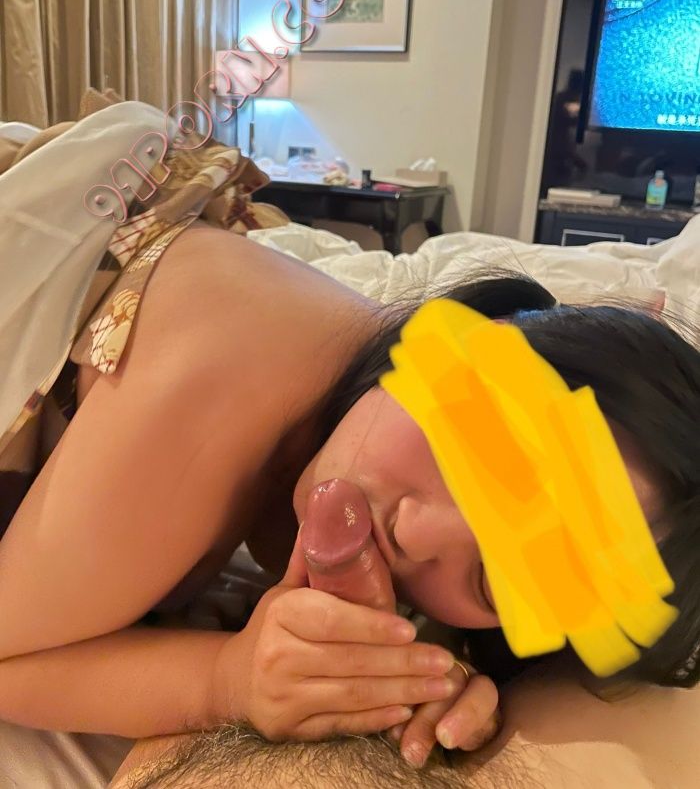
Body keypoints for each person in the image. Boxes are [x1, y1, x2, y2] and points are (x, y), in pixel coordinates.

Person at [0, 96, 699, 772]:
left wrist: (419, 672)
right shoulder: (229, 372)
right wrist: (226, 680)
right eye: (484, 457)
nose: (416, 535)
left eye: (500, 582)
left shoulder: (352, 421)